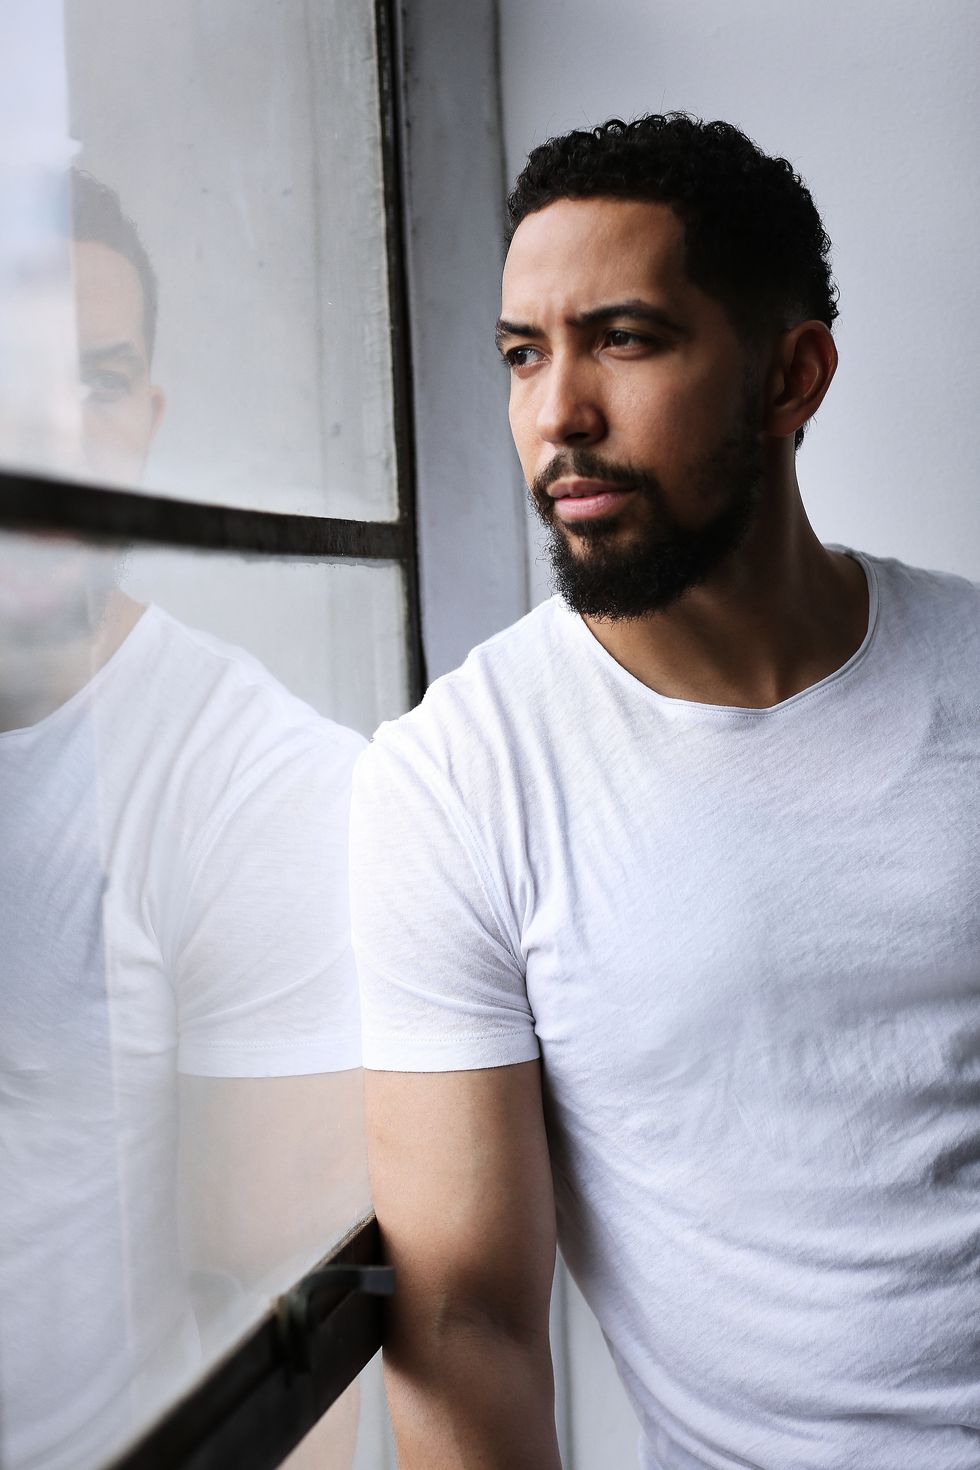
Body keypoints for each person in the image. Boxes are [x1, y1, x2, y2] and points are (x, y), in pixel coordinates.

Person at [348, 113, 980, 1470]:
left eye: (624, 340)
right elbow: (467, 1325)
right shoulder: (459, 779)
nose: (557, 415)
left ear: (791, 376)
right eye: (525, 354)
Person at [0, 172, 367, 1470]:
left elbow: (290, 1365)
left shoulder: (251, 786)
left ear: (146, 423)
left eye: (97, 382)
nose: (53, 437)